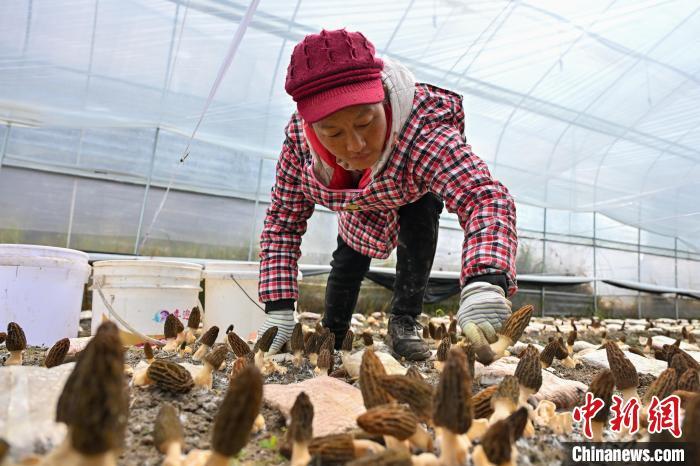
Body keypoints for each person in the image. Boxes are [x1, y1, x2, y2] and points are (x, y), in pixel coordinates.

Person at [255, 29, 517, 361]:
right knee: (348, 260)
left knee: (420, 231)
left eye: (366, 122)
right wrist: (278, 306)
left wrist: (486, 278)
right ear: (311, 128)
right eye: (333, 132)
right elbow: (282, 224)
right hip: (358, 201)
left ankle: (404, 322)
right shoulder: (299, 145)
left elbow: (483, 197)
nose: (355, 145)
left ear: (383, 101)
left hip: (411, 189)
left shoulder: (424, 129)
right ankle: (333, 329)